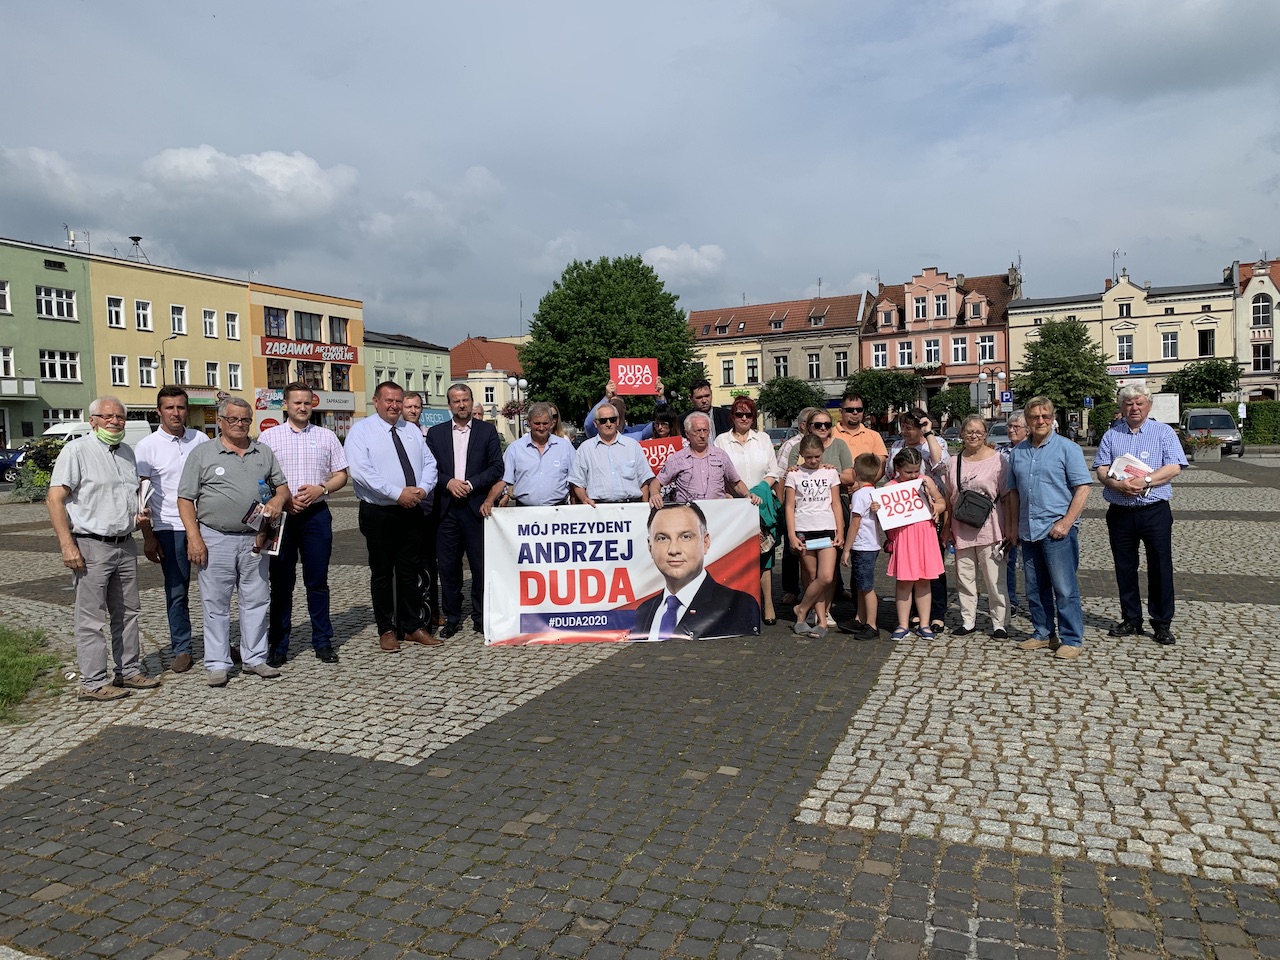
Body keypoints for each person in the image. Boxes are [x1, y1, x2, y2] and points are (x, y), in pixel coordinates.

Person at [48, 396, 161, 702]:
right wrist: (66, 545)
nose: (114, 421)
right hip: (90, 545)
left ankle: (128, 670)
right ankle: (92, 682)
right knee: (91, 617)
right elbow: (55, 498)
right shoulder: (76, 451)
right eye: (107, 416)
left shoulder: (126, 452)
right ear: (93, 420)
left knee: (127, 612)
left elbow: (127, 497)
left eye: (120, 417)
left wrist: (139, 519)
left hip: (124, 544)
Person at [177, 397, 291, 686]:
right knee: (215, 603)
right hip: (215, 537)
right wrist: (194, 537)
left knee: (256, 599)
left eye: (245, 420)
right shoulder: (203, 454)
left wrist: (278, 500)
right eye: (233, 419)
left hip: (257, 537)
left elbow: (283, 488)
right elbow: (185, 499)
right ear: (220, 421)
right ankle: (217, 663)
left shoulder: (262, 452)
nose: (240, 425)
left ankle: (255, 659)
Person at [259, 383, 350, 666]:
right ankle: (278, 645)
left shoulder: (326, 436)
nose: (302, 407)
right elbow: (260, 478)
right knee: (281, 583)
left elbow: (341, 475)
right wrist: (280, 499)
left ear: (313, 405)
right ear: (285, 404)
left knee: (318, 581)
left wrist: (321, 489)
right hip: (281, 518)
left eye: (307, 403)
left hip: (316, 516)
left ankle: (323, 641)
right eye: (296, 402)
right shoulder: (268, 437)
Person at [346, 381, 439, 653]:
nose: (394, 406)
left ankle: (413, 626)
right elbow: (361, 472)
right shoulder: (361, 431)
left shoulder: (411, 430)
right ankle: (386, 629)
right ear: (376, 401)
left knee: (410, 570)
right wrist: (397, 493)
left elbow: (430, 463)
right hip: (379, 511)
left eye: (398, 401)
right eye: (388, 400)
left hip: (411, 509)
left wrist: (422, 489)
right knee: (383, 572)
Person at [1092, 383, 1187, 646]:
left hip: (1154, 510)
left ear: (1148, 404)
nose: (1134, 407)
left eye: (1139, 403)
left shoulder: (1163, 432)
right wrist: (1114, 483)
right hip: (1120, 511)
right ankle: (1131, 618)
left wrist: (1145, 480)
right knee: (1124, 567)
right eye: (1128, 403)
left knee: (1160, 566)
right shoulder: (1112, 434)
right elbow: (1100, 468)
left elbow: (1175, 467)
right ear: (1121, 407)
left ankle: (1161, 622)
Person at [1006, 396, 1092, 660]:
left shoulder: (1068, 448)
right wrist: (1012, 527)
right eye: (1035, 417)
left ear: (1053, 418)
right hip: (1028, 529)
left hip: (1057, 530)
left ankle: (1072, 638)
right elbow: (1012, 493)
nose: (1040, 421)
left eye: (1045, 416)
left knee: (1064, 588)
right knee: (1034, 586)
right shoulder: (1018, 452)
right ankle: (1043, 633)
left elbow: (1083, 488)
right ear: (1028, 421)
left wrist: (1067, 522)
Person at [136, 385, 209, 674]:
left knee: (214, 589)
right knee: (177, 592)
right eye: (169, 408)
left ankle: (218, 643)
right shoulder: (147, 446)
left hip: (205, 524)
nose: (176, 413)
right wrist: (149, 537)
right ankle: (182, 648)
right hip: (169, 527)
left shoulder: (200, 439)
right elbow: (142, 496)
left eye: (180, 407)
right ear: (159, 411)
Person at [427, 383, 504, 639]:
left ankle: (481, 617)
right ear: (449, 405)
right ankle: (452, 617)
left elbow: (496, 468)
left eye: (466, 400)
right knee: (448, 568)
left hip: (475, 508)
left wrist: (471, 484)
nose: (462, 405)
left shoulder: (487, 431)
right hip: (446, 509)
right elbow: (428, 469)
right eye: (456, 401)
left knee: (481, 567)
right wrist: (448, 482)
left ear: (472, 402)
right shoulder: (436, 434)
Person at [628, 502, 761, 641]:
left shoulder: (738, 605)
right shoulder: (641, 612)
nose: (673, 550)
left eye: (685, 537)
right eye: (662, 538)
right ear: (650, 548)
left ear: (705, 543)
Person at [941, 416, 1010, 638]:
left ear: (985, 434)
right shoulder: (954, 462)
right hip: (962, 528)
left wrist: (1009, 528)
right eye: (969, 431)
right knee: (964, 577)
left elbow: (1008, 497)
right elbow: (950, 497)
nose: (974, 435)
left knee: (994, 579)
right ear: (961, 434)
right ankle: (968, 620)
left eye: (979, 432)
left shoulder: (999, 460)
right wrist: (946, 527)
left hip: (990, 528)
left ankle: (999, 623)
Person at [715, 396, 782, 624]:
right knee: (737, 557)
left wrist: (761, 488)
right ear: (731, 417)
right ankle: (739, 604)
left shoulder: (763, 439)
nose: (744, 418)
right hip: (734, 507)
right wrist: (730, 495)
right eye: (739, 414)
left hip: (760, 506)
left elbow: (774, 472)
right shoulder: (721, 441)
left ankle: (768, 605)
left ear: (754, 417)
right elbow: (718, 474)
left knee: (765, 557)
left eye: (749, 414)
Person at [887, 408, 949, 634]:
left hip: (927, 520)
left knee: (931, 572)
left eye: (911, 427)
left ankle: (935, 615)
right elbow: (888, 480)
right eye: (903, 427)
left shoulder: (935, 442)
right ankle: (910, 617)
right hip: (904, 526)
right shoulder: (897, 447)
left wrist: (929, 433)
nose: (906, 431)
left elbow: (939, 464)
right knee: (907, 575)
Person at [878, 447, 946, 642]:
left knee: (925, 581)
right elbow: (882, 513)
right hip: (904, 537)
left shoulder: (925, 481)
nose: (914, 475)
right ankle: (902, 624)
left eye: (916, 470)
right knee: (904, 583)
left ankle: (924, 624)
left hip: (925, 534)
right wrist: (877, 508)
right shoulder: (889, 487)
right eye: (909, 471)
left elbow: (941, 501)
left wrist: (937, 508)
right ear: (898, 468)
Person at [784, 434, 844, 638]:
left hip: (826, 528)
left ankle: (801, 609)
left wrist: (840, 531)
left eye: (817, 456)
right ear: (801, 455)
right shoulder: (794, 475)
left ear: (822, 453)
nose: (813, 461)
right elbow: (790, 506)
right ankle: (821, 621)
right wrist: (791, 535)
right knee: (811, 577)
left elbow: (836, 504)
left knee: (826, 576)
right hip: (804, 530)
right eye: (808, 457)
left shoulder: (830, 473)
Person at [481, 401, 573, 512]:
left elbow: (576, 480)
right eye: (537, 423)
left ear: (551, 423)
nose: (541, 427)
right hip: (524, 512)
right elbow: (503, 480)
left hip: (558, 511)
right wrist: (489, 500)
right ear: (529, 422)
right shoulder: (515, 449)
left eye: (545, 423)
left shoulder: (565, 447)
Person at [568, 403, 663, 507]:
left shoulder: (632, 446)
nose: (608, 424)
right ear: (596, 423)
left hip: (630, 507)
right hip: (598, 509)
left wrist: (643, 506)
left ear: (617, 421)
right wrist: (585, 499)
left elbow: (645, 479)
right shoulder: (585, 449)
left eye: (612, 419)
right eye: (603, 421)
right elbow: (577, 482)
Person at [657, 412, 762, 505]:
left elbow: (735, 482)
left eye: (705, 430)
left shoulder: (721, 455)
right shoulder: (677, 459)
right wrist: (654, 495)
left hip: (717, 513)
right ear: (687, 433)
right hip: (688, 515)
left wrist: (748, 494)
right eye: (698, 431)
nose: (702, 435)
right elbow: (657, 482)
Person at [839, 453, 884, 640]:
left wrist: (846, 549)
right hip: (871, 544)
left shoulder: (859, 495)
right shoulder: (874, 493)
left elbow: (855, 524)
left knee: (866, 587)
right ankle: (860, 618)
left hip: (863, 545)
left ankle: (871, 624)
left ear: (855, 473)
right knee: (860, 584)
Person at [1001, 413, 1028, 612]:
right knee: (1008, 559)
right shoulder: (1001, 452)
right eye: (1010, 426)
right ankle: (1010, 600)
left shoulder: (1031, 451)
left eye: (1016, 426)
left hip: (1028, 512)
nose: (1011, 430)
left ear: (1027, 429)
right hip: (1006, 512)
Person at [584, 380, 663, 439]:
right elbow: (588, 424)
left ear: (624, 408)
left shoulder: (636, 433)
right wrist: (606, 398)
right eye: (610, 405)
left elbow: (662, 422)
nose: (613, 408)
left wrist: (660, 398)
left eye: (615, 404)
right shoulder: (600, 433)